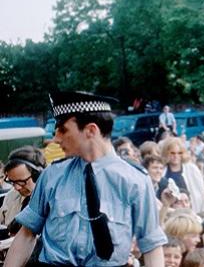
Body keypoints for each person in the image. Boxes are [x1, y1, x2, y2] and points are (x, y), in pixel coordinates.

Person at [6, 91, 166, 266]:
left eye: (63, 130)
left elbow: (151, 246)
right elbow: (26, 235)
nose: (55, 139)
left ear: (91, 130)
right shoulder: (52, 175)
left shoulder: (135, 181)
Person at [0, 146, 46, 231]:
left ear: (38, 175)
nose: (17, 188)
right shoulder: (11, 196)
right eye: (12, 182)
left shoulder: (50, 202)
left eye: (21, 182)